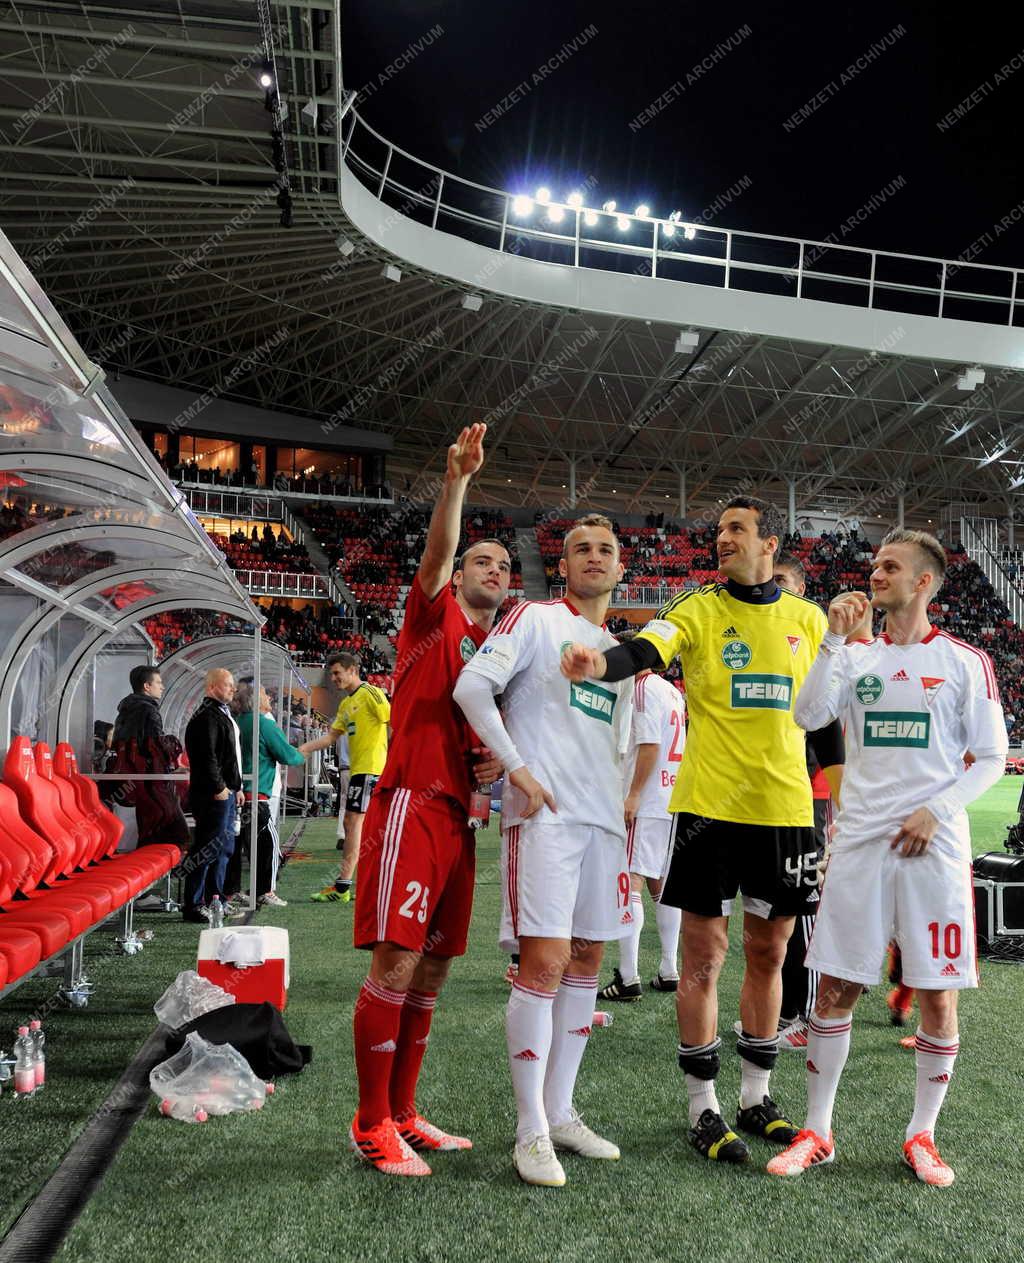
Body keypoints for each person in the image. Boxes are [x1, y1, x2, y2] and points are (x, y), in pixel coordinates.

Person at [560, 497, 843, 1165]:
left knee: (771, 954)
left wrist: (846, 795)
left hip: (786, 810)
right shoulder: (696, 608)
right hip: (709, 809)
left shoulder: (809, 618)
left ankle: (756, 1095)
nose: (722, 540)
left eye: (737, 529)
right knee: (703, 957)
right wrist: (602, 663)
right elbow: (646, 648)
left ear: (768, 542)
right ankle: (702, 1107)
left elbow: (825, 717)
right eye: (718, 531)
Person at [767, 530, 1008, 1186]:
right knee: (839, 986)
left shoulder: (966, 661)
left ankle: (921, 1134)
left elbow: (991, 757)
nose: (876, 573)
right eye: (875, 563)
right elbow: (808, 713)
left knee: (936, 994)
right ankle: (819, 1129)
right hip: (860, 846)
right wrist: (834, 641)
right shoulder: (856, 657)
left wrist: (938, 808)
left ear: (923, 582)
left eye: (890, 566)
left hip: (935, 847)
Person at [347, 424, 511, 1177]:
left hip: (460, 820)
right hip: (411, 803)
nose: (495, 568)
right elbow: (437, 553)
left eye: (505, 564)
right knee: (396, 963)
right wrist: (456, 483)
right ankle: (370, 1120)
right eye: (484, 559)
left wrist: (489, 770)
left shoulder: (496, 651)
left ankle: (405, 1111)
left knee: (435, 970)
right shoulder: (433, 614)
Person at [455, 513, 633, 1188]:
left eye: (606, 549)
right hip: (546, 820)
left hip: (602, 822)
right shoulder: (531, 617)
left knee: (588, 958)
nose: (594, 556)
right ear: (563, 565)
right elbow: (471, 688)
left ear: (621, 570)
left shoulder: (618, 651)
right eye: (582, 548)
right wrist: (516, 767)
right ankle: (529, 1127)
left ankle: (561, 1110)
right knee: (546, 961)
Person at [761, 553, 848, 1050]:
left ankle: (811, 1016)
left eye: (783, 582)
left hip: (809, 794)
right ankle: (788, 1010)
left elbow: (826, 723)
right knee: (776, 913)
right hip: (769, 797)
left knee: (804, 910)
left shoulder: (818, 640)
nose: (776, 589)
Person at [597, 647, 686, 1001]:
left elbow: (648, 745)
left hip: (648, 798)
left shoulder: (641, 690)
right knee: (661, 882)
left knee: (630, 878)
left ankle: (629, 975)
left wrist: (632, 795)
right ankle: (668, 968)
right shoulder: (670, 690)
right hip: (671, 794)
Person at [301, 653, 390, 902]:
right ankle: (348, 884)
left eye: (338, 672)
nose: (334, 678)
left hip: (371, 769)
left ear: (353, 670)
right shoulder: (344, 705)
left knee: (354, 821)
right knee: (353, 824)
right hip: (358, 770)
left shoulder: (371, 693)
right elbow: (331, 737)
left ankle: (343, 886)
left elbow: (394, 723)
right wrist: (304, 749)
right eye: (332, 674)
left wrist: (396, 764)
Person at [110, 666, 189, 907]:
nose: (162, 686)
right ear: (147, 686)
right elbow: (155, 748)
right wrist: (170, 762)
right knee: (174, 833)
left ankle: (143, 891)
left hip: (139, 782)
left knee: (151, 831)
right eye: (159, 682)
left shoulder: (126, 709)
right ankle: (142, 892)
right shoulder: (148, 710)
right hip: (151, 783)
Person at [228, 682, 306, 909]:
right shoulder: (263, 724)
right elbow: (288, 756)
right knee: (268, 846)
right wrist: (301, 754)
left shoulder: (237, 721)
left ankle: (232, 891)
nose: (269, 698)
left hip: (237, 794)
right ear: (256, 699)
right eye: (265, 694)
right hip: (257, 795)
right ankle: (265, 890)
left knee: (237, 846)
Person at [182, 669, 244, 924]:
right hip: (212, 795)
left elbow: (230, 757)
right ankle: (194, 904)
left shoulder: (221, 714)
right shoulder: (206, 716)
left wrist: (236, 786)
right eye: (228, 685)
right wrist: (220, 787)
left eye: (233, 685)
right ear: (212, 687)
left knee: (223, 849)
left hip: (226, 792)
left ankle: (214, 899)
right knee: (207, 847)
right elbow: (206, 757)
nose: (233, 689)